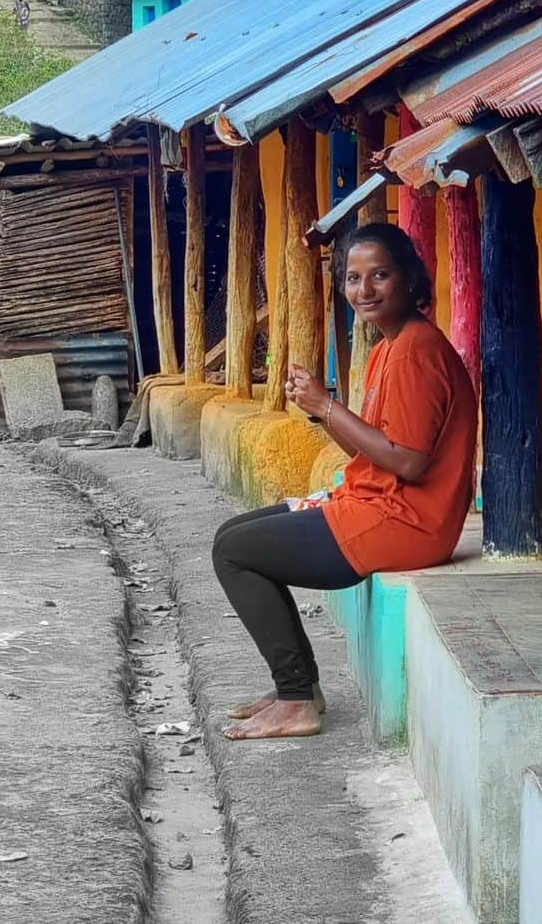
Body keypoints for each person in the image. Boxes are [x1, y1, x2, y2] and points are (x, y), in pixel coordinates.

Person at [212, 221, 478, 740]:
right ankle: (300, 688)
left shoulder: (416, 350)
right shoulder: (388, 347)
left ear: (408, 280)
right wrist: (320, 413)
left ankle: (296, 698)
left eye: (380, 275)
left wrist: (327, 405)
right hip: (379, 503)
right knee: (233, 535)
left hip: (406, 521)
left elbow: (409, 463)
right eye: (354, 278)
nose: (365, 290)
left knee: (234, 553)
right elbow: (371, 451)